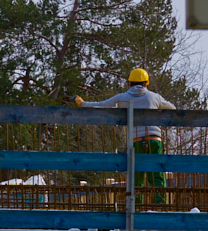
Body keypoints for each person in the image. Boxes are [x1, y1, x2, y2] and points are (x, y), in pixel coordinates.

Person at [75, 68, 175, 200]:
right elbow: (172, 109)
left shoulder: (122, 98)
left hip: (135, 140)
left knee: (136, 175)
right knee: (156, 174)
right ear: (146, 83)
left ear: (130, 84)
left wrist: (83, 104)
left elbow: (101, 105)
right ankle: (160, 205)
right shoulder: (154, 97)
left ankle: (135, 204)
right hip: (154, 139)